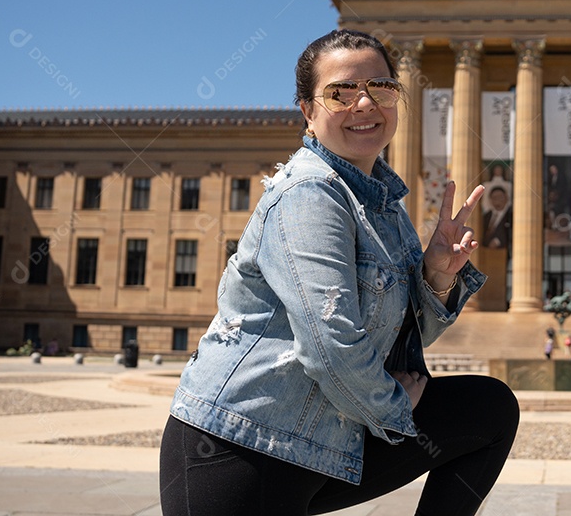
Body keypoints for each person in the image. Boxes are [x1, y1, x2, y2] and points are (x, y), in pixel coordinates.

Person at [159, 29, 520, 516]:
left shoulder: (383, 205)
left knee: (488, 408)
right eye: (341, 92)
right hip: (242, 447)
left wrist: (436, 276)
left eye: (381, 88)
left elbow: (403, 341)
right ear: (307, 111)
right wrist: (396, 408)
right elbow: (331, 344)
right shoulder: (310, 193)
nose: (365, 103)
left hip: (324, 438)